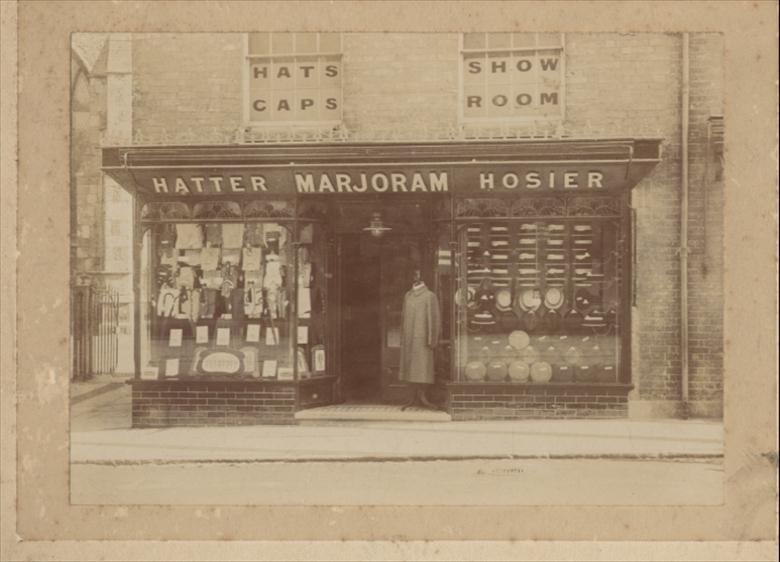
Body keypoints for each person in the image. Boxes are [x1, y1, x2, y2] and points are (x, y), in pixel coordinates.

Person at [399, 269, 441, 410]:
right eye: (414, 274)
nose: (415, 277)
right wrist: (403, 337)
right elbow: (403, 319)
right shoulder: (407, 296)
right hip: (409, 339)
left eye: (417, 274)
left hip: (422, 341)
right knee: (410, 369)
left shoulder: (429, 296)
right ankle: (413, 398)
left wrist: (432, 340)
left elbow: (434, 319)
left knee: (422, 369)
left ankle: (423, 397)